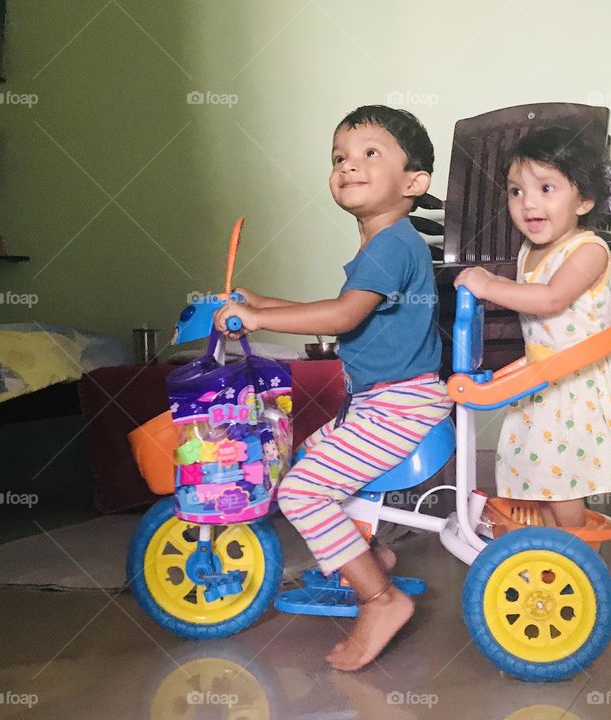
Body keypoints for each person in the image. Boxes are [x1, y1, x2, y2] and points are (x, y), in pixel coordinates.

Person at [214, 105, 452, 671]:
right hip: (382, 403)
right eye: (340, 157)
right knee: (309, 457)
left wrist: (259, 318)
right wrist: (261, 304)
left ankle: (379, 598)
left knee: (299, 492)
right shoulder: (383, 248)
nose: (350, 165)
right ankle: (371, 553)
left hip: (399, 408)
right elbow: (345, 311)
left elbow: (343, 317)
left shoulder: (393, 244)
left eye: (371, 153)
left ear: (414, 183)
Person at [454, 127, 611, 528]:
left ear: (583, 200)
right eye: (516, 191)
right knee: (540, 475)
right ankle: (550, 547)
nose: (528, 203)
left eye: (546, 188)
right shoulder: (530, 249)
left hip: (577, 386)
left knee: (561, 478)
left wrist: (489, 284)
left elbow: (551, 299)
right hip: (545, 379)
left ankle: (573, 545)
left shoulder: (588, 251)